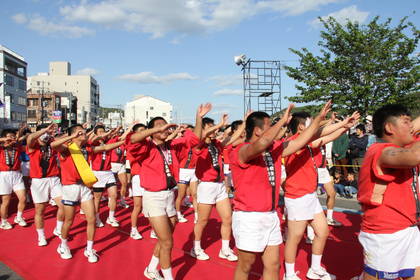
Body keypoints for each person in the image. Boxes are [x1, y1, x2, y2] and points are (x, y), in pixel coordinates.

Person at [126, 104, 210, 280]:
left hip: (169, 196)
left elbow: (195, 138)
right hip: (153, 197)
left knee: (165, 240)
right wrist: (155, 129)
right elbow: (134, 139)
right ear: (151, 130)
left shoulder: (172, 145)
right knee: (167, 242)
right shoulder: (145, 147)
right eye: (159, 126)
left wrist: (199, 117)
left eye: (166, 125)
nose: (165, 128)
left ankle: (151, 268)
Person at [283, 107, 358, 280]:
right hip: (297, 197)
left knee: (322, 232)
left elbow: (328, 136)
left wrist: (345, 126)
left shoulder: (310, 143)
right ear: (301, 127)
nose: (312, 125)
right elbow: (320, 132)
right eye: (309, 122)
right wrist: (338, 123)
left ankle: (314, 269)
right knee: (294, 238)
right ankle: (289, 274)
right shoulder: (294, 142)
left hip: (310, 196)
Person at [357, 104, 419, 280]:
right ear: (389, 128)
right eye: (406, 122)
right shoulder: (379, 151)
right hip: (384, 234)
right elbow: (415, 157)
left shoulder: (406, 147)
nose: (411, 127)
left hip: (409, 228)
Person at [51, 124, 123, 263]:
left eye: (84, 132)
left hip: (84, 187)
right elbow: (54, 144)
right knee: (69, 221)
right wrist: (72, 136)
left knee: (91, 219)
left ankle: (89, 249)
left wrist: (123, 141)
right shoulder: (67, 149)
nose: (84, 134)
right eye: (81, 132)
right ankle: (63, 245)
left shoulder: (87, 149)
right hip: (70, 188)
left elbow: (106, 147)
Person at [190, 114, 238, 262]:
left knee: (228, 218)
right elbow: (201, 136)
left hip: (219, 185)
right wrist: (219, 125)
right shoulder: (198, 144)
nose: (213, 129)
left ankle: (224, 249)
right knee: (203, 220)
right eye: (210, 126)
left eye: (213, 126)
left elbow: (233, 138)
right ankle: (195, 248)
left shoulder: (216, 143)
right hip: (207, 186)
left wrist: (244, 122)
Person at [26, 123, 64, 246]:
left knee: (64, 205)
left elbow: (64, 139)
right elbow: (30, 138)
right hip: (39, 181)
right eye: (44, 133)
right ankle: (41, 236)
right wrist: (44, 130)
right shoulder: (33, 146)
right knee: (40, 210)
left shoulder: (52, 144)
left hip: (54, 179)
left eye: (48, 133)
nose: (46, 135)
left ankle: (58, 229)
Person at [90, 125, 124, 228]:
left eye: (103, 131)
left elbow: (121, 138)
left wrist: (128, 129)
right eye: (99, 132)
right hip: (98, 173)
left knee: (113, 195)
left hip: (108, 172)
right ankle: (97, 217)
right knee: (97, 198)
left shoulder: (108, 142)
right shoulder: (92, 143)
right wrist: (106, 134)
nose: (102, 134)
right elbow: (94, 138)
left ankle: (111, 217)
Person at [0, 126, 28, 230]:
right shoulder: (1, 148)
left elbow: (20, 139)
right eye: (9, 137)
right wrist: (4, 140)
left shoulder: (17, 147)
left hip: (16, 174)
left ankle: (19, 217)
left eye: (13, 137)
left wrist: (21, 132)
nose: (12, 139)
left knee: (23, 198)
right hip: (4, 175)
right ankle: (3, 221)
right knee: (6, 201)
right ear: (4, 138)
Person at [127, 123, 147, 240]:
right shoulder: (133, 145)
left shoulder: (148, 144)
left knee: (149, 206)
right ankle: (133, 229)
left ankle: (155, 229)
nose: (143, 132)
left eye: (145, 130)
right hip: (138, 178)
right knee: (138, 206)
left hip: (149, 177)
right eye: (141, 130)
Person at [175, 125, 198, 223]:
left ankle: (197, 215)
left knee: (195, 194)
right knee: (181, 194)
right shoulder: (181, 141)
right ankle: (178, 213)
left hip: (194, 170)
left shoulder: (197, 143)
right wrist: (178, 134)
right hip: (183, 170)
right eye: (190, 132)